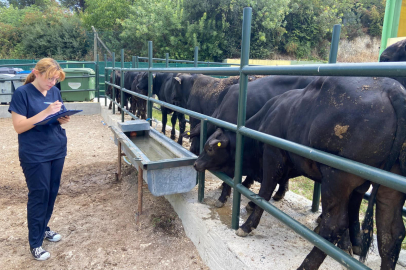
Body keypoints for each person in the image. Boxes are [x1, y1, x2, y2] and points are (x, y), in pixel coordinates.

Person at [8, 58, 70, 261]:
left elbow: (55, 115)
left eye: (55, 79)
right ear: (36, 73)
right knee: (39, 194)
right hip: (34, 153)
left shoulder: (54, 91)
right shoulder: (21, 94)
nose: (53, 83)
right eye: (49, 78)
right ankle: (35, 243)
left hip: (56, 148)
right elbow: (19, 126)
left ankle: (44, 228)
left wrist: (61, 117)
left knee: (51, 192)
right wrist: (45, 113)